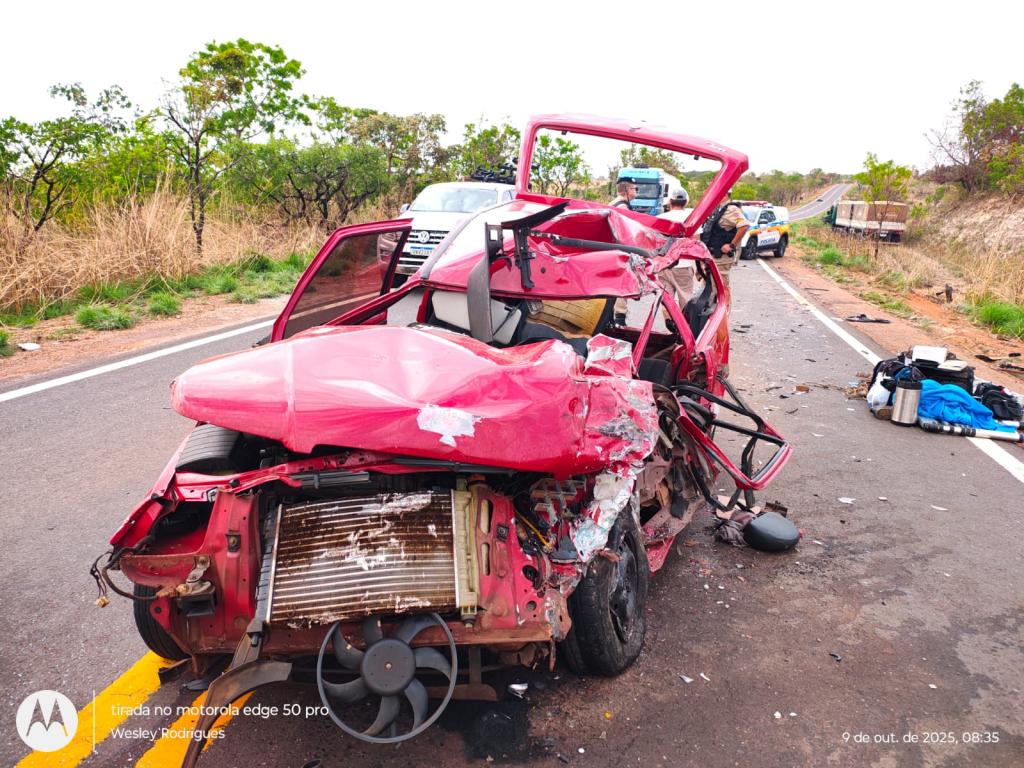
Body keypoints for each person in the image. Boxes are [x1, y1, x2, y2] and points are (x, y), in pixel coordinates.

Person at [657, 188, 696, 306]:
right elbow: (696, 243)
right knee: (686, 299)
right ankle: (683, 324)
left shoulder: (660, 218)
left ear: (670, 202)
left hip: (663, 266)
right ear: (685, 202)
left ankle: (669, 323)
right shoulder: (692, 218)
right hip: (684, 266)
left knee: (666, 301)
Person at [700, 197, 749, 289]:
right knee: (709, 289)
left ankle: (725, 304)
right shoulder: (717, 208)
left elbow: (744, 226)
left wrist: (732, 245)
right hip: (711, 256)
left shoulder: (732, 209)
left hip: (721, 258)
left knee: (721, 288)